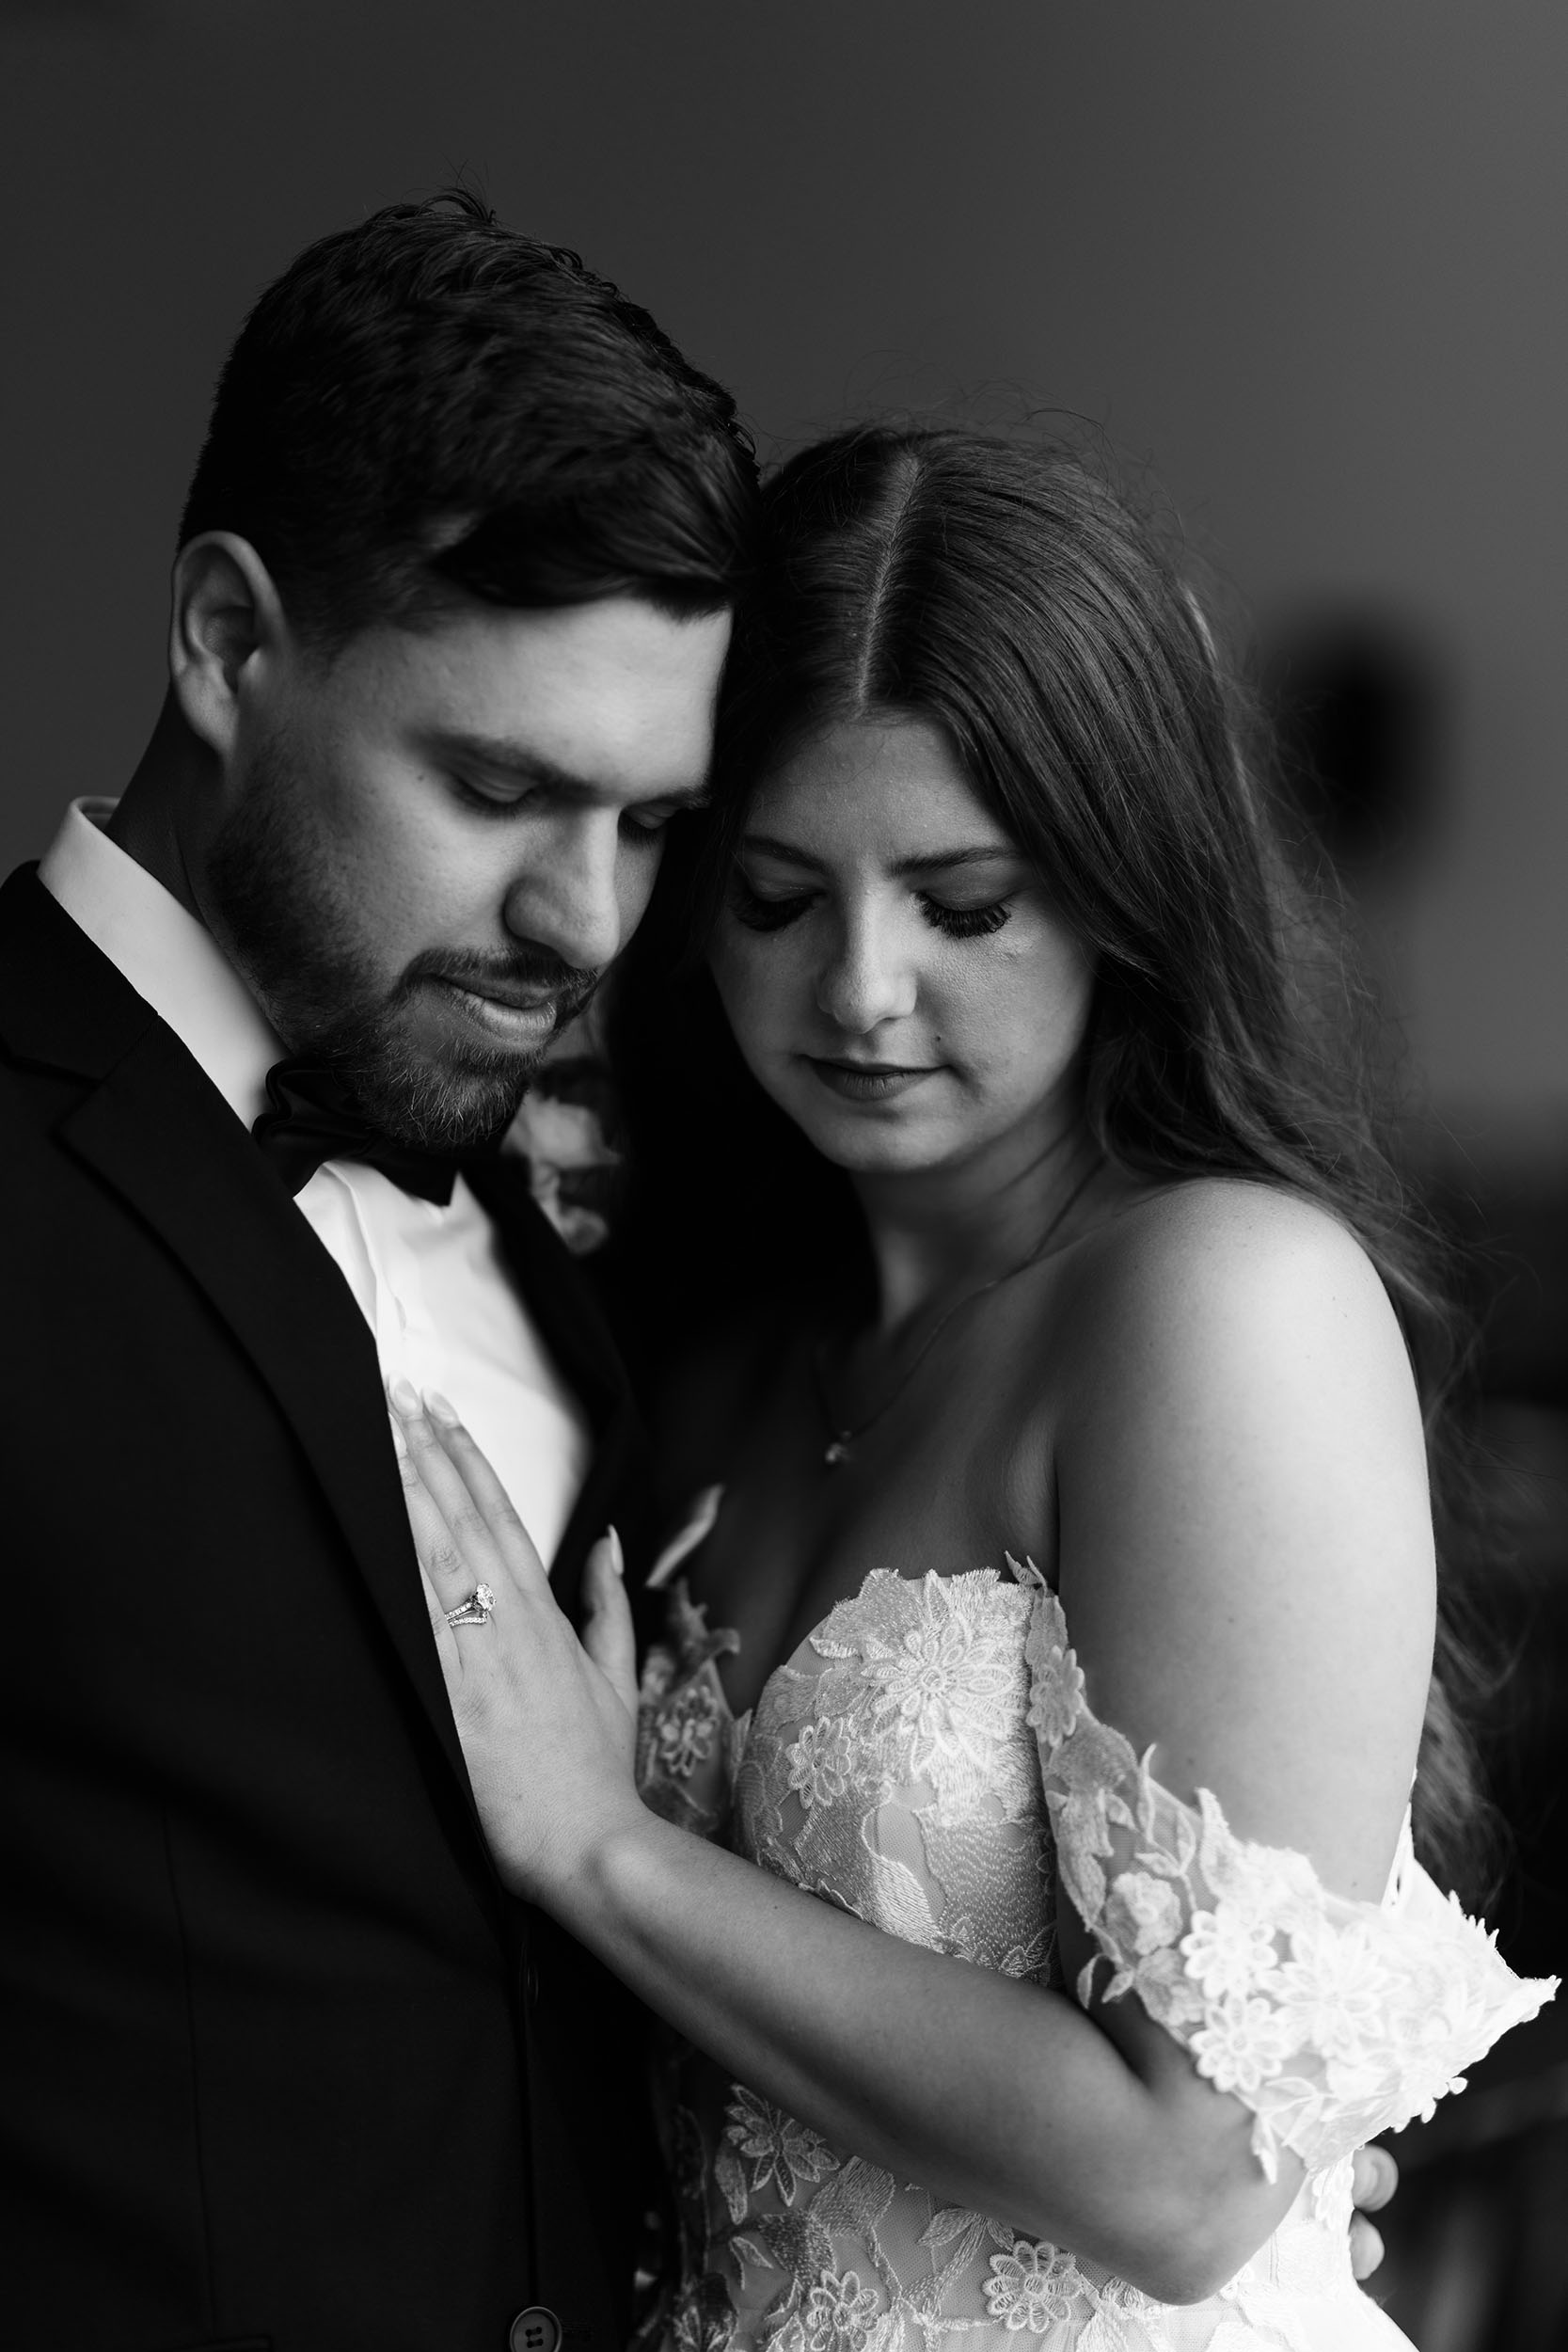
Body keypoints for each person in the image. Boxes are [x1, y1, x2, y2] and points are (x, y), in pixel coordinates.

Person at [388, 427, 1555, 2350]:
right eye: (774, 897)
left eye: (963, 899)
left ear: (1118, 886)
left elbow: (1185, 2176)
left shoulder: (1220, 1300)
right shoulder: (719, 1339)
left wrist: (603, 1844)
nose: (857, 988)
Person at [0, 191, 753, 2351]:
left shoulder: (572, 1195)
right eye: (501, 786)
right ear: (231, 643)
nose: (590, 922)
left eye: (651, 821)